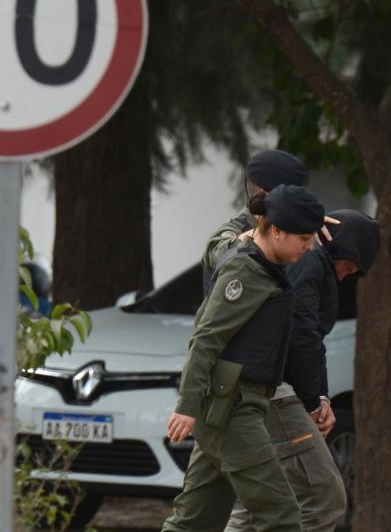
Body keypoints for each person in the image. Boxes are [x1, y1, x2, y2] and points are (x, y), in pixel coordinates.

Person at [162, 185, 325, 532]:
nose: (309, 247)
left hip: (230, 408)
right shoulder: (245, 273)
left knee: (194, 523)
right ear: (277, 231)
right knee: (281, 518)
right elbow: (206, 339)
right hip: (233, 411)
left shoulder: (265, 268)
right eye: (304, 238)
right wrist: (187, 405)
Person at [225, 209, 381, 532]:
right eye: (348, 266)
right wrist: (314, 400)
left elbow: (309, 336)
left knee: (255, 503)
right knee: (325, 497)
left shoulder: (306, 259)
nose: (345, 275)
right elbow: (302, 333)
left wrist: (320, 394)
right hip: (276, 390)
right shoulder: (311, 261)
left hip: (257, 386)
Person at [203, 149, 308, 278]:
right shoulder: (236, 230)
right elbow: (217, 253)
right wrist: (260, 233)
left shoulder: (294, 230)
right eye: (292, 197)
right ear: (265, 195)